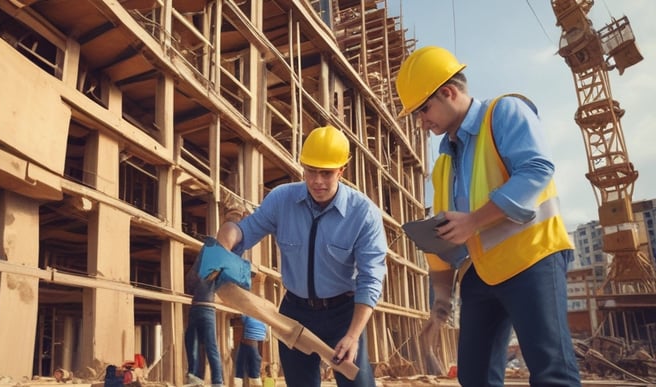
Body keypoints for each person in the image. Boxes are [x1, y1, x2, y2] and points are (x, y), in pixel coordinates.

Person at [395, 46, 581, 387]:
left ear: (448, 92)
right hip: (479, 274)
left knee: (551, 372)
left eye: (423, 110)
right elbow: (444, 237)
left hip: (531, 259)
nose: (421, 122)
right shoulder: (443, 165)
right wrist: (440, 301)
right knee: (475, 376)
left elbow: (537, 169)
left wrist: (473, 221)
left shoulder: (504, 112)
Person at [213, 125, 388, 387]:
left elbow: (370, 278)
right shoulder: (281, 199)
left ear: (341, 170)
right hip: (294, 312)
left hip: (343, 315)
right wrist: (224, 241)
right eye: (310, 170)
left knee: (358, 383)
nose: (317, 181)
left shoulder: (363, 213)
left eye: (326, 173)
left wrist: (353, 335)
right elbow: (244, 231)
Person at [185, 255, 224, 386]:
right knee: (195, 343)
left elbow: (190, 285)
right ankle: (196, 378)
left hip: (204, 308)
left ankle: (215, 381)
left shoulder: (212, 271)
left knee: (206, 345)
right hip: (200, 308)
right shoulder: (206, 272)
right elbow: (190, 285)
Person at [233, 315, 267, 387]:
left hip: (248, 344)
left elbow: (242, 319)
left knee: (240, 372)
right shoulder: (263, 321)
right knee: (254, 375)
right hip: (255, 345)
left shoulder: (248, 315)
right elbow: (262, 342)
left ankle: (239, 380)